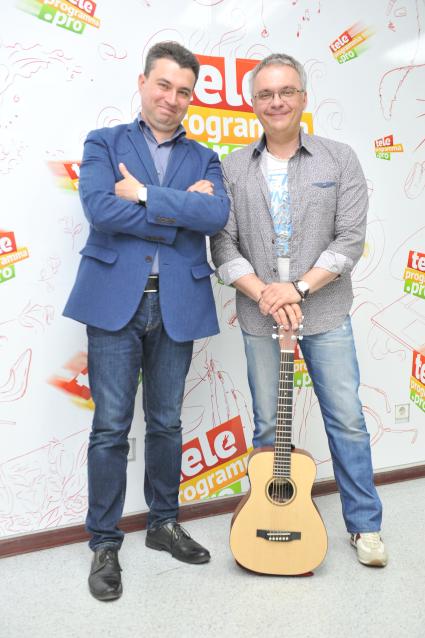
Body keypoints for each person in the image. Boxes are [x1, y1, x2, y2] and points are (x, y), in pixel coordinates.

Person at [64, 41, 230, 601]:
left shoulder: (205, 157)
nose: (172, 98)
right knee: (110, 427)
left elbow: (214, 214)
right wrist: (176, 209)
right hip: (115, 301)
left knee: (165, 423)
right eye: (164, 85)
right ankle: (104, 541)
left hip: (177, 303)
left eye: (184, 91)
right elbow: (99, 209)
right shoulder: (104, 142)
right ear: (142, 83)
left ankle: (163, 523)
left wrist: (142, 195)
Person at [210, 53, 388, 568]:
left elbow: (349, 239)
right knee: (269, 426)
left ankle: (365, 527)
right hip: (259, 314)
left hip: (325, 311)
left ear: (304, 97)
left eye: (286, 91)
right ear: (252, 103)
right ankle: (266, 521)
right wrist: (267, 293)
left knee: (346, 420)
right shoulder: (232, 167)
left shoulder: (339, 159)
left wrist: (297, 289)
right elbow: (222, 244)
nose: (277, 102)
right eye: (265, 94)